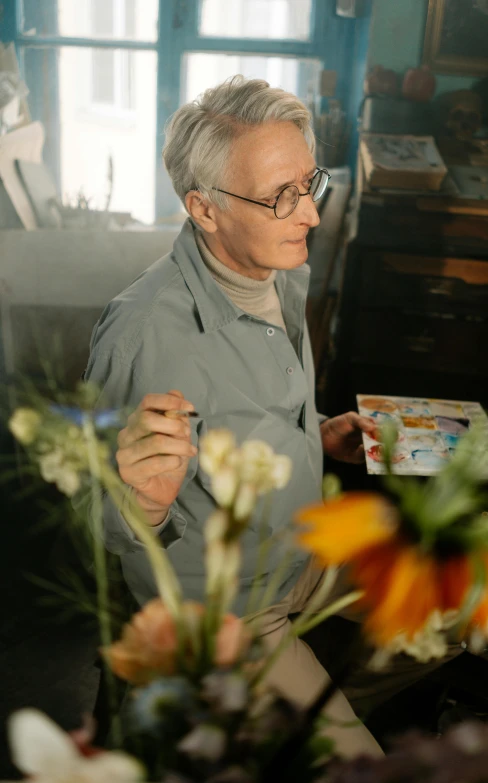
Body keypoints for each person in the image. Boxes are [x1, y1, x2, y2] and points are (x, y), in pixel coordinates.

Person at [85, 75, 383, 758]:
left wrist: (318, 427)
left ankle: (295, 715)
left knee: (468, 604)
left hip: (302, 553)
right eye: (281, 196)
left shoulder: (278, 268)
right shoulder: (143, 335)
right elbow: (95, 522)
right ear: (205, 208)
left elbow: (250, 407)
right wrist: (142, 501)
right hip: (230, 612)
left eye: (308, 184)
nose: (308, 214)